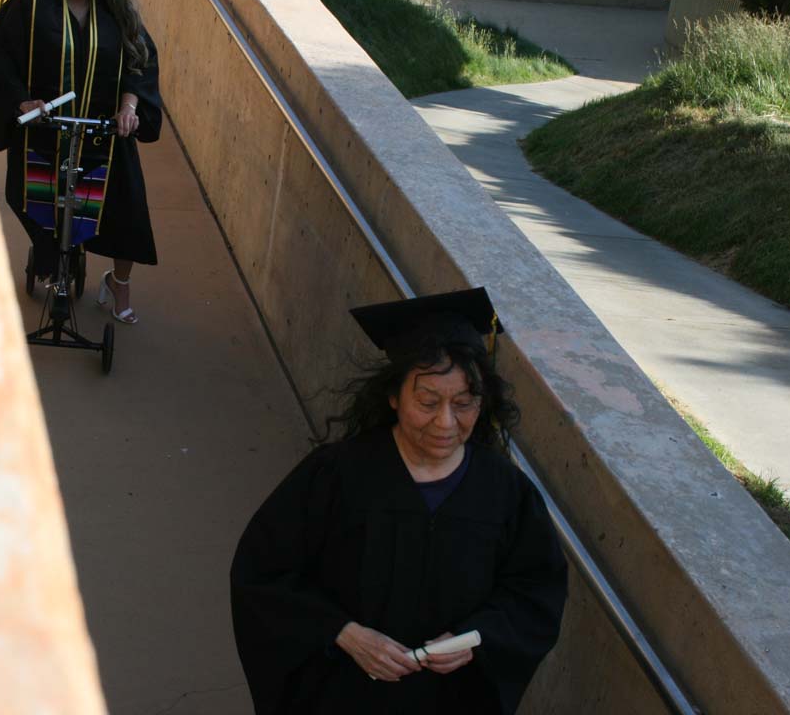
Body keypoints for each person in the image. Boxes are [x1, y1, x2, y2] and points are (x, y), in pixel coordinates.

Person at [230, 288, 568, 714]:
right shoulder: (338, 474)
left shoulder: (505, 492)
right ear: (394, 397)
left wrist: (477, 637)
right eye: (428, 402)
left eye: (464, 403)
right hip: (341, 695)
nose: (446, 422)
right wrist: (343, 632)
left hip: (451, 700)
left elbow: (535, 591)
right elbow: (262, 572)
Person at [0, 0, 161, 325]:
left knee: (127, 210)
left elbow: (140, 62)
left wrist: (130, 107)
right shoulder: (28, 5)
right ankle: (47, 251)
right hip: (44, 132)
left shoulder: (118, 8)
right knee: (36, 202)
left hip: (104, 135)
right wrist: (21, 103)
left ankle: (118, 281)